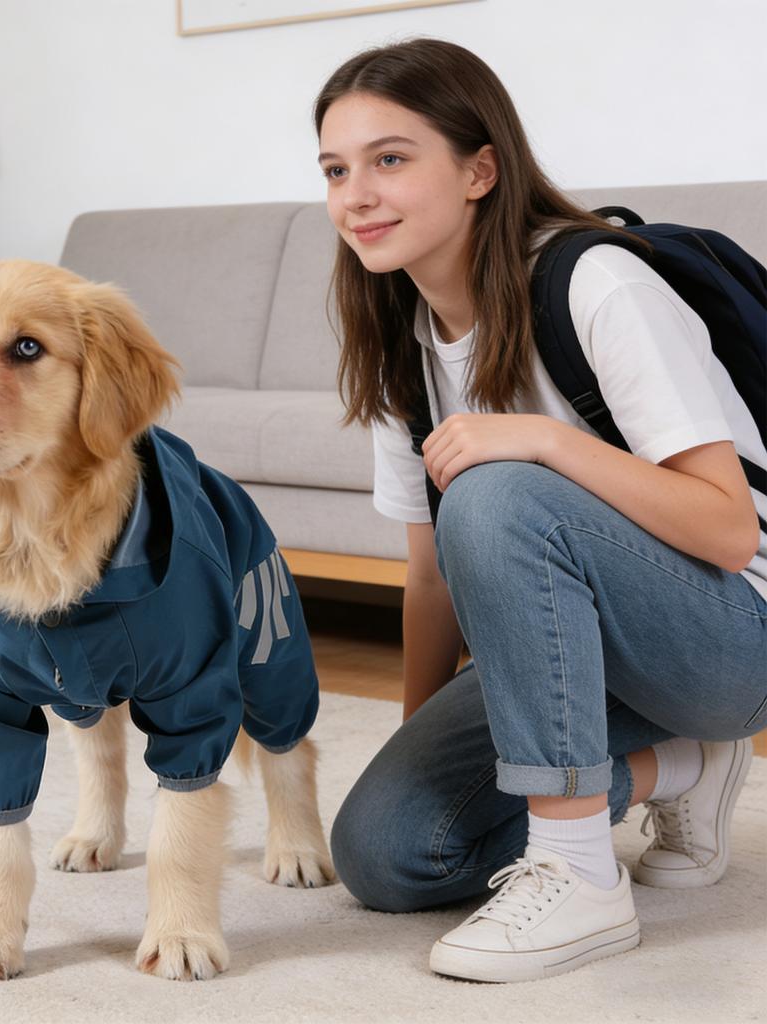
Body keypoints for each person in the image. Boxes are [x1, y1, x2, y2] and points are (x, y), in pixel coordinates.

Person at [315, 38, 767, 983]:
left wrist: (547, 439)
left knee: (494, 487)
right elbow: (432, 573)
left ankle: (579, 879)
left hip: (731, 639)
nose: (355, 195)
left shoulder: (594, 281)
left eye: (390, 159)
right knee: (390, 854)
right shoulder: (402, 343)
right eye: (335, 169)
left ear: (481, 169)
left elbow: (729, 530)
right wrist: (414, 747)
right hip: (579, 659)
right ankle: (683, 769)